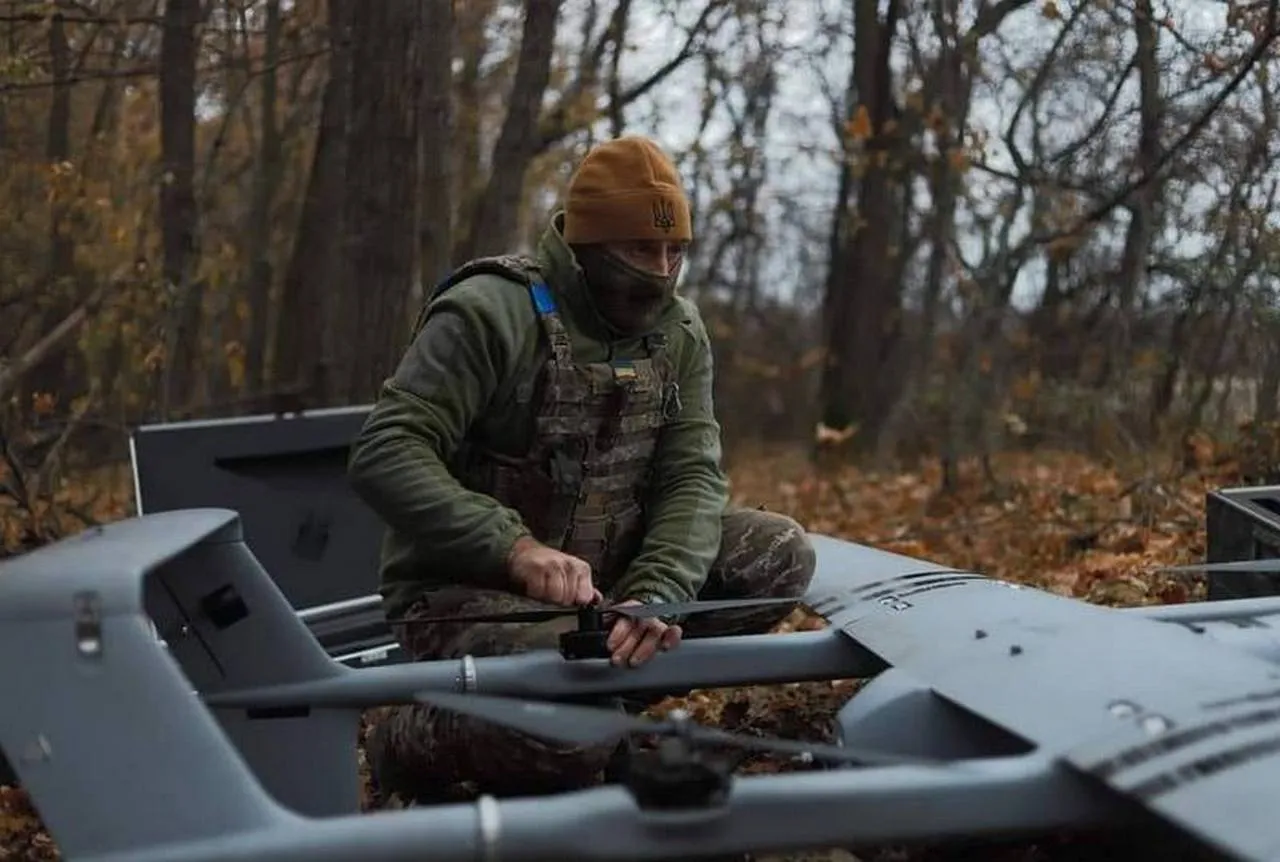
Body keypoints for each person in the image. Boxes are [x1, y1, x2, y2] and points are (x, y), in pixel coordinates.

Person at [348, 134, 817, 804]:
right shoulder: (490, 311)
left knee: (777, 552)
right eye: (639, 250)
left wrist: (658, 593)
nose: (659, 270)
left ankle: (600, 714)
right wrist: (511, 549)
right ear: (587, 247)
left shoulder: (678, 332)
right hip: (466, 594)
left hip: (606, 595)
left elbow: (693, 475)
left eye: (674, 251)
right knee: (572, 726)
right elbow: (385, 449)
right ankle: (410, 741)